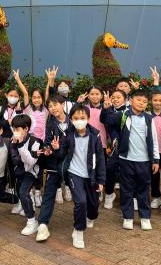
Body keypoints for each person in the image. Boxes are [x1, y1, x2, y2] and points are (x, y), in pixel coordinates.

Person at [59, 104, 105, 249]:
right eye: (76, 118)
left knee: (93, 205)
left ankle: (91, 216)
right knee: (81, 202)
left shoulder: (95, 135)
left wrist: (101, 180)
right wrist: (56, 148)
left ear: (88, 118)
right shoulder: (67, 134)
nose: (79, 121)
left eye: (82, 118)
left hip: (91, 175)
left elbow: (100, 159)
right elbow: (61, 154)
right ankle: (78, 231)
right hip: (74, 173)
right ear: (71, 120)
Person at [117, 90, 159, 230]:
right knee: (126, 189)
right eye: (138, 100)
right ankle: (128, 217)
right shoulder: (124, 115)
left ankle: (145, 217)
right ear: (131, 100)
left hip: (144, 161)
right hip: (126, 159)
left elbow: (154, 140)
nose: (141, 103)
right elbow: (108, 119)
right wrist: (107, 108)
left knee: (144, 189)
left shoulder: (149, 119)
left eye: (144, 101)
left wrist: (156, 160)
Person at [35, 94, 69, 242]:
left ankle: (87, 216)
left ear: (63, 104)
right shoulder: (50, 124)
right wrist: (48, 149)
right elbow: (47, 143)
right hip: (54, 163)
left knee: (81, 193)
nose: (53, 108)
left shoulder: (73, 120)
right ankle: (42, 224)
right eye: (50, 106)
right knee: (49, 193)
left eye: (55, 104)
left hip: (72, 164)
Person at [14, 70, 48, 207]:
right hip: (29, 143)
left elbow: (48, 93)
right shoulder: (28, 109)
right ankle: (30, 193)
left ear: (42, 99)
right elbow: (25, 93)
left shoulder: (46, 109)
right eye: (34, 97)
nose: (36, 99)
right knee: (29, 167)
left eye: (39, 97)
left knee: (39, 168)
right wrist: (18, 79)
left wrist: (49, 81)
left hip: (41, 143)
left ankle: (38, 192)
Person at [10, 114, 43, 235]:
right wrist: (15, 145)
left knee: (23, 192)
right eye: (14, 129)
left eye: (17, 129)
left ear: (26, 129)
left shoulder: (36, 142)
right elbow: (15, 160)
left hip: (31, 172)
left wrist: (19, 146)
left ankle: (32, 221)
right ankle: (29, 206)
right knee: (21, 193)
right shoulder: (13, 141)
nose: (15, 132)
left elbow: (31, 161)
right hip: (19, 171)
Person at [99, 89, 127, 209]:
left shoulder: (128, 111)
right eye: (113, 97)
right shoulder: (110, 110)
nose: (115, 99)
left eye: (118, 97)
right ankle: (109, 194)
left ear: (125, 99)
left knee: (126, 173)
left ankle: (129, 198)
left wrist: (108, 109)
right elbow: (103, 119)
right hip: (112, 146)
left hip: (127, 146)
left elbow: (111, 120)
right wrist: (105, 108)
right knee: (110, 170)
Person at [149, 90, 161, 211]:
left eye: (160, 100)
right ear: (151, 101)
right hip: (152, 152)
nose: (157, 102)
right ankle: (156, 197)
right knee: (154, 176)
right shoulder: (147, 115)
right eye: (155, 100)